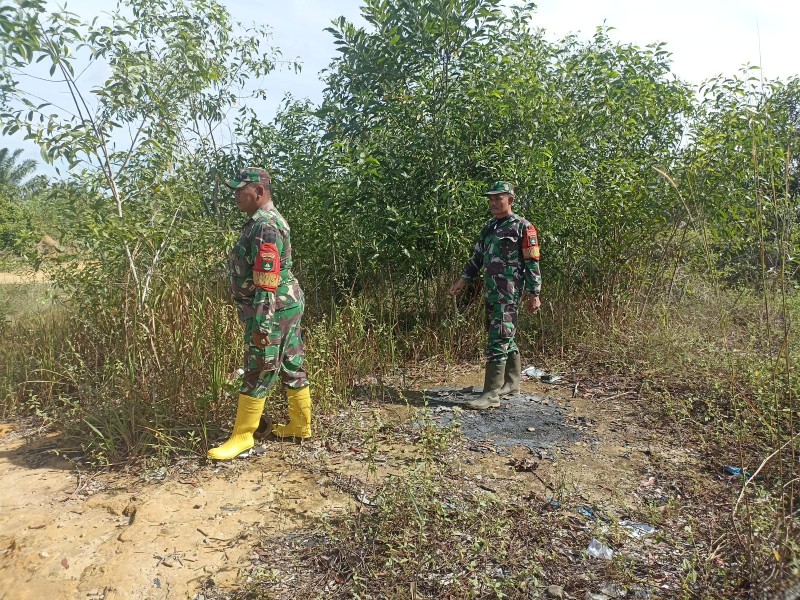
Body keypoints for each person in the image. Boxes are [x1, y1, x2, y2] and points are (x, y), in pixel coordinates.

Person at [208, 167, 312, 460]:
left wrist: (262, 325)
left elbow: (267, 281)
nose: (236, 196)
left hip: (272, 306)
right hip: (285, 302)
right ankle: (300, 426)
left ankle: (242, 437)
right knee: (292, 360)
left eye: (241, 191)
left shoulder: (265, 226)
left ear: (259, 192)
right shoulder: (264, 222)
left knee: (259, 365)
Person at [449, 181, 542, 410]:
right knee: (503, 334)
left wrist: (534, 294)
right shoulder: (490, 227)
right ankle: (511, 383)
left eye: (497, 198)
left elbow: (532, 262)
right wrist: (463, 279)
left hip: (509, 293)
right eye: (490, 199)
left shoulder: (523, 227)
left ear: (510, 200)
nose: (492, 203)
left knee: (498, 338)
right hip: (491, 292)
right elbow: (477, 258)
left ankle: (491, 394)